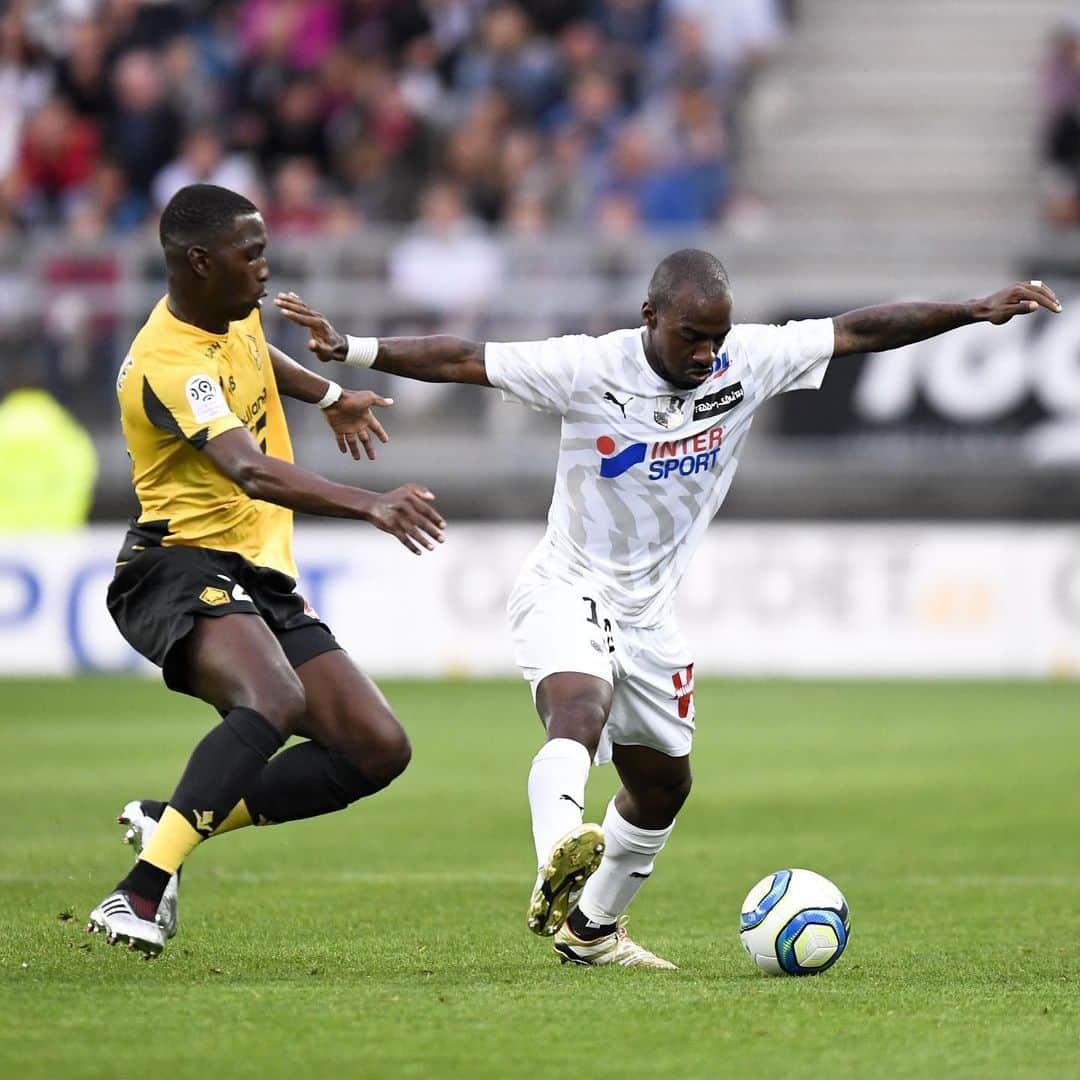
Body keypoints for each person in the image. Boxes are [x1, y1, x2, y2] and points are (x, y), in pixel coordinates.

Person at [275, 252, 1062, 968]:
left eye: (715, 338)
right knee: (578, 707)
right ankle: (558, 852)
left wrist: (971, 309)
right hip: (567, 581)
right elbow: (463, 358)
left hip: (650, 614)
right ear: (651, 317)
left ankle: (591, 933)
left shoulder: (747, 361)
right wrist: (355, 353)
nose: (705, 354)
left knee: (662, 789)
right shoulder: (587, 367)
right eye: (690, 336)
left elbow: (862, 329)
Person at [86, 183, 446, 958]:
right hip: (173, 565)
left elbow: (257, 350)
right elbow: (250, 471)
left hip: (255, 573)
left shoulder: (228, 312)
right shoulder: (168, 364)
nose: (264, 267)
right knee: (275, 696)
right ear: (198, 260)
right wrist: (368, 505)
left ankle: (173, 816)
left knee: (376, 747)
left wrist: (331, 394)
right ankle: (139, 894)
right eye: (250, 254)